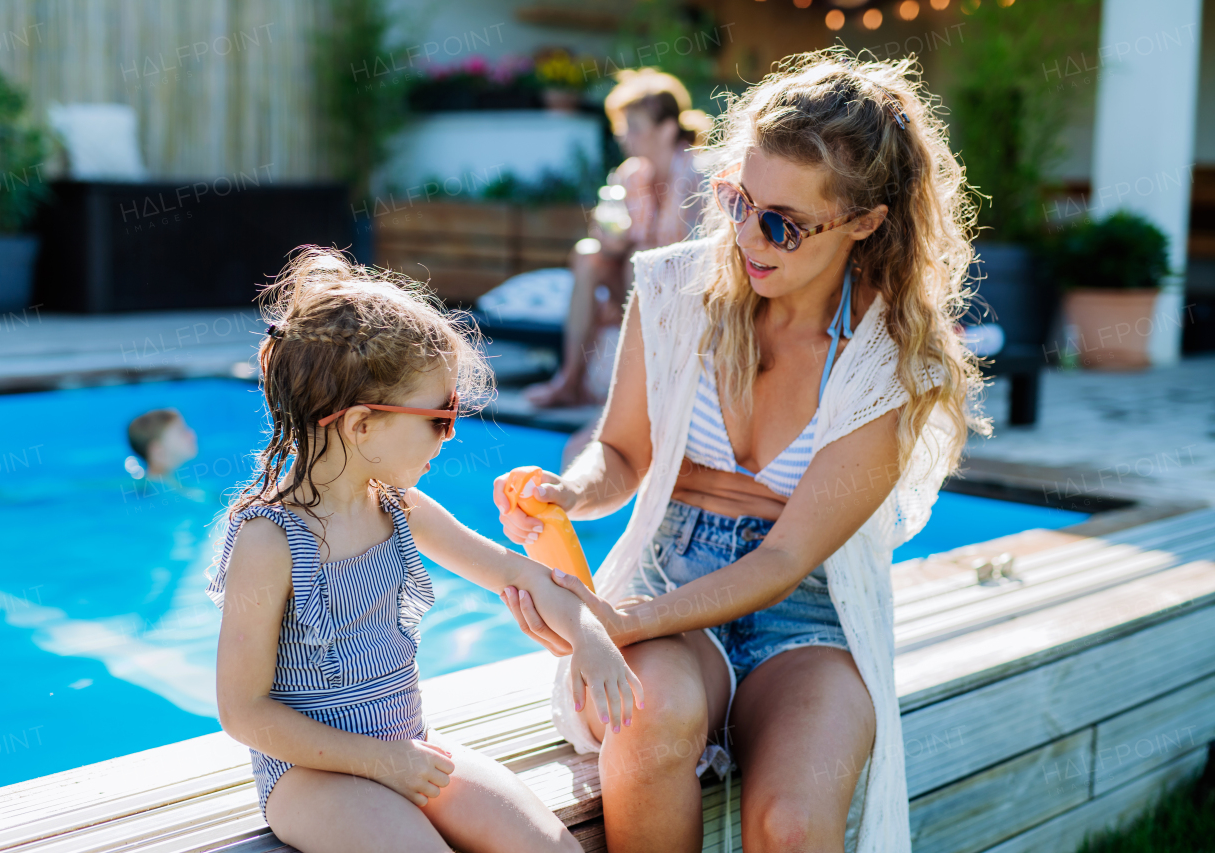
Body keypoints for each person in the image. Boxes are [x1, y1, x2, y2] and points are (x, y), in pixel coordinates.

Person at [493, 48, 989, 853]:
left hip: (807, 612)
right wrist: (570, 489)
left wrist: (624, 621)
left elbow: (788, 555)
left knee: (790, 827)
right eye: (736, 199)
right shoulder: (672, 290)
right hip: (669, 572)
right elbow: (621, 453)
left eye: (783, 223)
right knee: (647, 721)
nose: (748, 237)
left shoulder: (891, 359)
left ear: (865, 221)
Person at [204, 248, 643, 853]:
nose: (451, 433)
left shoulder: (399, 509)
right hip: (313, 775)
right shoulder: (270, 540)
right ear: (361, 425)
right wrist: (382, 762)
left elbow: (520, 574)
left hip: (410, 746)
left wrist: (590, 639)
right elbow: (244, 711)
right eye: (438, 417)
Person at [523, 67, 709, 411]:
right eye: (623, 126)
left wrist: (632, 249)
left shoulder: (698, 173)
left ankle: (641, 378)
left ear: (667, 129)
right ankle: (570, 379)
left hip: (687, 284)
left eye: (634, 127)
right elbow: (613, 238)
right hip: (635, 279)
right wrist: (608, 239)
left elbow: (696, 247)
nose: (624, 136)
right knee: (587, 255)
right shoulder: (630, 174)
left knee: (640, 257)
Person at [125, 408, 203, 499]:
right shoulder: (165, 493)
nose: (192, 434)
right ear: (159, 452)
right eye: (181, 431)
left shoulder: (167, 487)